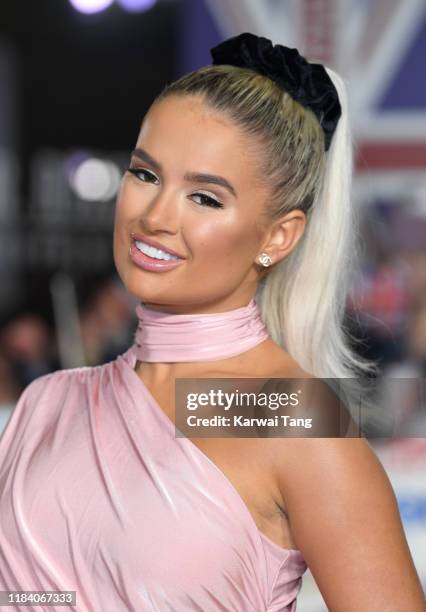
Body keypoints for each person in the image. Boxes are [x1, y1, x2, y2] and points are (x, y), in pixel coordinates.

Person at [0, 32, 425, 612]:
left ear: (278, 236)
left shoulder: (284, 413)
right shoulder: (48, 403)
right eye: (146, 175)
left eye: (205, 198)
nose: (155, 217)